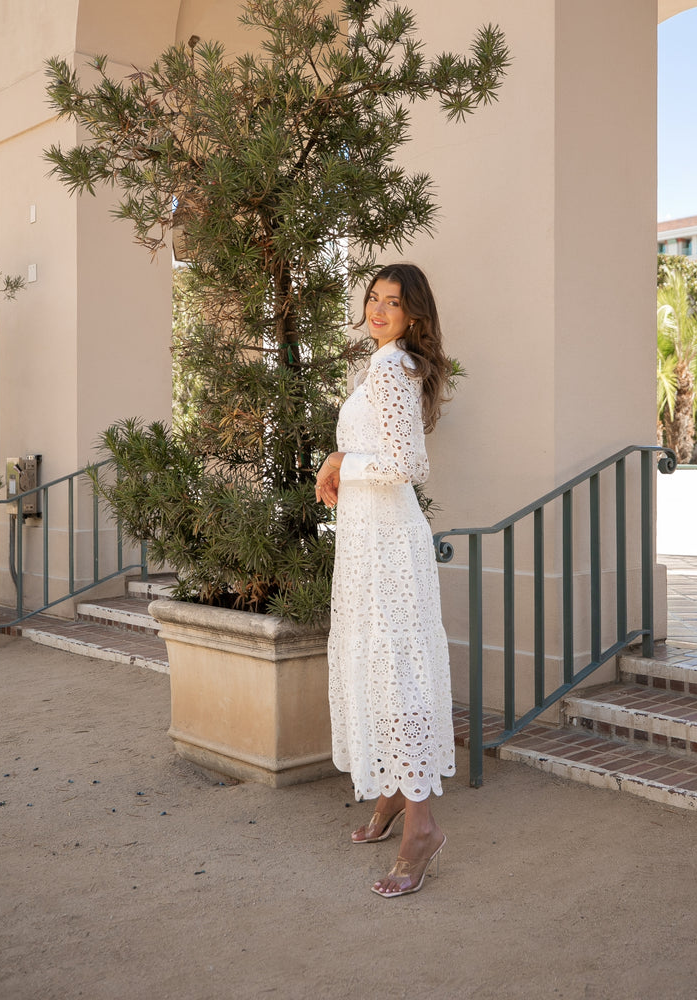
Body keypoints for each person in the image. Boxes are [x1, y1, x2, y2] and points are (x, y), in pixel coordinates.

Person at [315, 263, 456, 898]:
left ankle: (421, 827)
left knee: (397, 674)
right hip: (366, 541)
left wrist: (343, 458)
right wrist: (341, 465)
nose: (378, 309)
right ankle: (397, 795)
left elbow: (407, 464)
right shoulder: (381, 365)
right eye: (373, 298)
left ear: (412, 315)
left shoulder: (394, 367)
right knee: (378, 668)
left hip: (390, 546)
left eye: (392, 302)